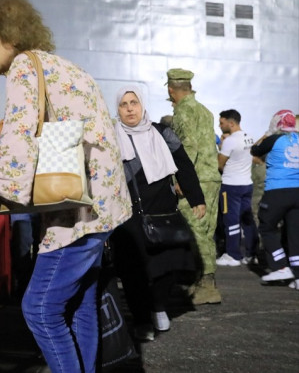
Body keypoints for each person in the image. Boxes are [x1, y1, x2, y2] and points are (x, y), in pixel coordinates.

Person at [0, 0, 132, 372]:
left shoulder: (26, 66)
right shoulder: (65, 67)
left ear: (12, 36)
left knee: (39, 309)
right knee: (79, 305)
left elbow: (15, 146)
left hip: (76, 215)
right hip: (102, 206)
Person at [109, 86, 204, 341]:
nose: (130, 108)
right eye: (124, 104)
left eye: (134, 102)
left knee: (167, 266)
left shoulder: (162, 133)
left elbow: (183, 164)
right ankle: (141, 320)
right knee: (132, 271)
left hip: (162, 211)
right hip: (128, 214)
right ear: (117, 109)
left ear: (142, 105)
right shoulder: (110, 136)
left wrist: (197, 198)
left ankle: (159, 306)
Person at [166, 68, 223, 305]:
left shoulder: (183, 112)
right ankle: (202, 282)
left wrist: (181, 180)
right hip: (210, 178)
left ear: (171, 90)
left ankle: (207, 286)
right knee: (206, 231)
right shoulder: (205, 111)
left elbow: (188, 147)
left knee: (197, 232)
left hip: (196, 180)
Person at [251, 110, 299, 288]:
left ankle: (280, 266)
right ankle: (298, 276)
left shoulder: (273, 140)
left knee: (266, 227)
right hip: (298, 191)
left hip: (277, 191)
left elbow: (254, 150)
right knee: (295, 234)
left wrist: (267, 134)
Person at [215, 109, 257, 266]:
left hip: (231, 186)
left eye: (222, 122)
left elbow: (220, 164)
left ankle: (233, 255)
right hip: (247, 184)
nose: (220, 126)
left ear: (231, 123)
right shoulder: (249, 137)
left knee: (231, 220)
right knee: (247, 220)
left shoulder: (230, 141)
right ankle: (251, 253)